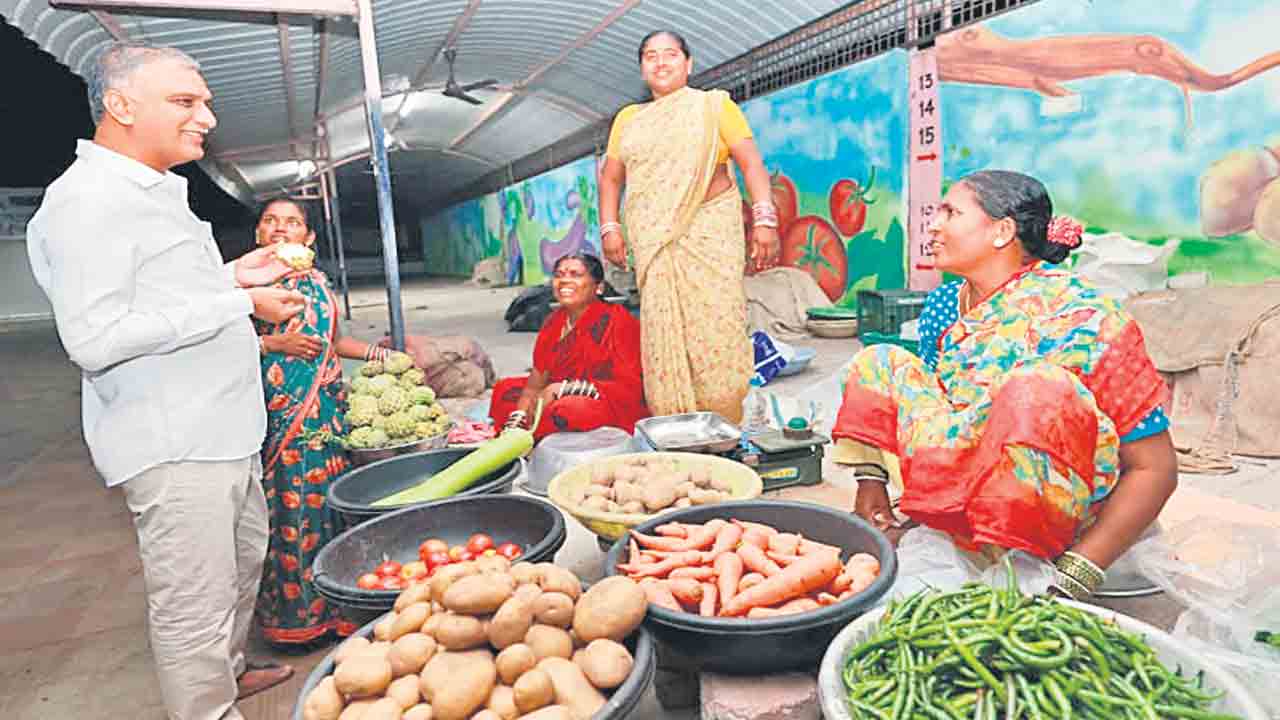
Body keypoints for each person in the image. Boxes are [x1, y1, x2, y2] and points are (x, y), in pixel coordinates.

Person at [26, 43, 306, 719]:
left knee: (239, 567)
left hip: (221, 426)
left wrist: (234, 276)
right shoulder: (86, 202)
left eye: (204, 101)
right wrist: (237, 303)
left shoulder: (152, 190)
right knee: (193, 602)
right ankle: (206, 709)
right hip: (175, 439)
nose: (206, 117)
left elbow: (161, 293)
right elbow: (95, 338)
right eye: (186, 102)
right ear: (120, 106)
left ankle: (228, 674)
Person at [833, 170, 1177, 599]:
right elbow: (953, 405)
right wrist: (873, 482)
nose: (933, 224)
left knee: (1035, 388)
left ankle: (1024, 549)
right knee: (879, 362)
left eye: (951, 212)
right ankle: (954, 524)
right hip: (977, 475)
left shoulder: (1087, 319)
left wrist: (1075, 576)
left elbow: (1155, 468)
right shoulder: (946, 302)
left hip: (1062, 509)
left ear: (1001, 231)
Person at [597, 30, 780, 423]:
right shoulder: (628, 120)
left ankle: (724, 419)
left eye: (671, 54)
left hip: (711, 235)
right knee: (664, 336)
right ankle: (674, 424)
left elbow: (751, 164)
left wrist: (765, 219)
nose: (661, 63)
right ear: (642, 68)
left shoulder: (714, 108)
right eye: (650, 56)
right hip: (655, 242)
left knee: (720, 328)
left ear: (688, 63)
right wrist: (609, 226)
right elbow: (611, 178)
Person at [249, 197, 392, 647]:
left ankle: (339, 611)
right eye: (270, 221)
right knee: (291, 509)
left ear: (307, 238)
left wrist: (376, 353)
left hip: (328, 414)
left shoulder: (316, 280)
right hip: (279, 418)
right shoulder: (239, 290)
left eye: (292, 223)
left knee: (331, 502)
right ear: (258, 234)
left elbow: (333, 342)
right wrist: (275, 345)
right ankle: (295, 619)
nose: (280, 228)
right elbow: (219, 345)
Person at [490, 253, 648, 440]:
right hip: (557, 394)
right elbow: (535, 383)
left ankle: (541, 429)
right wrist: (517, 420)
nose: (564, 280)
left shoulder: (618, 321)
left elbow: (630, 388)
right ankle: (529, 432)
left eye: (575, 274)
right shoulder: (553, 322)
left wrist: (562, 389)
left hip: (605, 401)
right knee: (505, 390)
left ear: (599, 287)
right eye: (559, 274)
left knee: (568, 409)